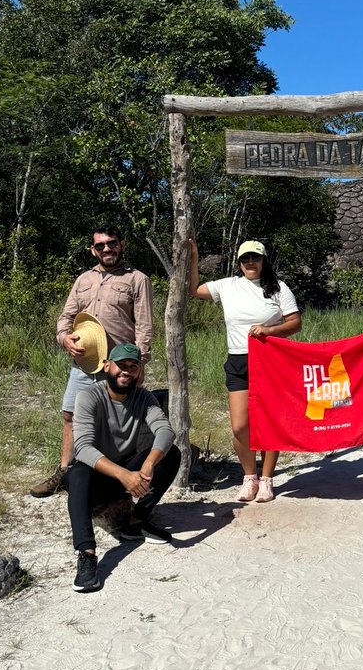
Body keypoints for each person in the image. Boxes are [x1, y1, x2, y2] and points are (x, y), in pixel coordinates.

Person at [30, 225, 153, 498]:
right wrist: (64, 339)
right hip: (84, 363)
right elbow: (66, 316)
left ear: (122, 244)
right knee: (71, 416)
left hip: (119, 365)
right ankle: (66, 473)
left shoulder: (137, 279)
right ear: (92, 250)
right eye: (100, 245)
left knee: (117, 424)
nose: (106, 249)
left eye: (111, 243)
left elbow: (144, 327)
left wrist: (139, 363)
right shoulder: (83, 279)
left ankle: (114, 482)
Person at [189, 238, 302, 503]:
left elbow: (295, 323)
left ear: (264, 260)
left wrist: (270, 330)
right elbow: (194, 290)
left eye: (255, 258)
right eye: (245, 259)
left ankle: (266, 479)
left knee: (269, 423)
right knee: (240, 426)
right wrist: (194, 256)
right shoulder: (228, 285)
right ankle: (249, 476)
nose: (250, 263)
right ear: (239, 262)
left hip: (271, 361)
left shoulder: (278, 288)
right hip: (238, 360)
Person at [68, 343, 180, 592]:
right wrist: (124, 476)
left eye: (133, 366)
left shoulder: (144, 397)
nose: (126, 371)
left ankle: (136, 519)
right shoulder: (89, 396)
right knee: (77, 471)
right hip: (97, 477)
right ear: (107, 366)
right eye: (121, 365)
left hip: (127, 470)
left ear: (139, 371)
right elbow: (83, 447)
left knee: (171, 454)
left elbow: (165, 430)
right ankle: (86, 552)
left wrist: (149, 464)